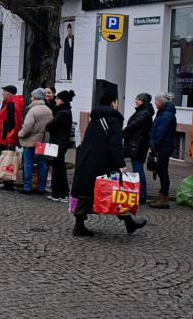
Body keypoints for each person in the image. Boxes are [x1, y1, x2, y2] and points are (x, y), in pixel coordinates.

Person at [70, 90, 147, 237]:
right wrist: (121, 163)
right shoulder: (113, 119)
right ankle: (128, 222)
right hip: (103, 162)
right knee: (114, 192)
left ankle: (128, 223)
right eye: (116, 102)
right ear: (112, 103)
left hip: (88, 159)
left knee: (87, 193)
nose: (117, 104)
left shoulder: (95, 117)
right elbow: (115, 144)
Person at [18, 88, 53, 195]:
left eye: (32, 96)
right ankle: (41, 187)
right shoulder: (48, 110)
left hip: (31, 141)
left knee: (28, 163)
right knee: (42, 163)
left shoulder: (33, 110)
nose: (31, 98)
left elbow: (28, 127)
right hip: (43, 141)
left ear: (35, 97)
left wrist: (20, 134)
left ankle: (27, 187)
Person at [122, 93, 154, 203]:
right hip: (138, 144)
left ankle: (141, 195)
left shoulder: (143, 113)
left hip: (138, 145)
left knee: (138, 169)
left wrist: (121, 134)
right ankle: (140, 193)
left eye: (138, 99)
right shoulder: (143, 111)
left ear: (143, 101)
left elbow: (132, 126)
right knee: (137, 169)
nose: (136, 101)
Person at [147, 93, 177, 209]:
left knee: (163, 171)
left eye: (156, 100)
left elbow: (160, 132)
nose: (155, 103)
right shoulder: (164, 113)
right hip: (163, 147)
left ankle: (164, 198)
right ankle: (162, 196)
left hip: (163, 148)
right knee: (160, 171)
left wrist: (153, 145)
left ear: (161, 102)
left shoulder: (166, 115)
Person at [0, 85, 24, 191]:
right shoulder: (10, 104)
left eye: (4, 92)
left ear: (9, 94)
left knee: (7, 160)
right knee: (6, 160)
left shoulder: (11, 105)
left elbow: (13, 124)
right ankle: (6, 181)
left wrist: (10, 139)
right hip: (4, 137)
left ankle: (7, 182)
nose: (3, 94)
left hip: (6, 138)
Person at [45, 90, 74, 202]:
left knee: (58, 169)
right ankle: (58, 193)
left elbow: (49, 126)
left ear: (63, 100)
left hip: (59, 143)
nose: (56, 100)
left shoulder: (62, 113)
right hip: (60, 142)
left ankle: (61, 194)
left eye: (58, 98)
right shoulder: (64, 111)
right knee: (58, 168)